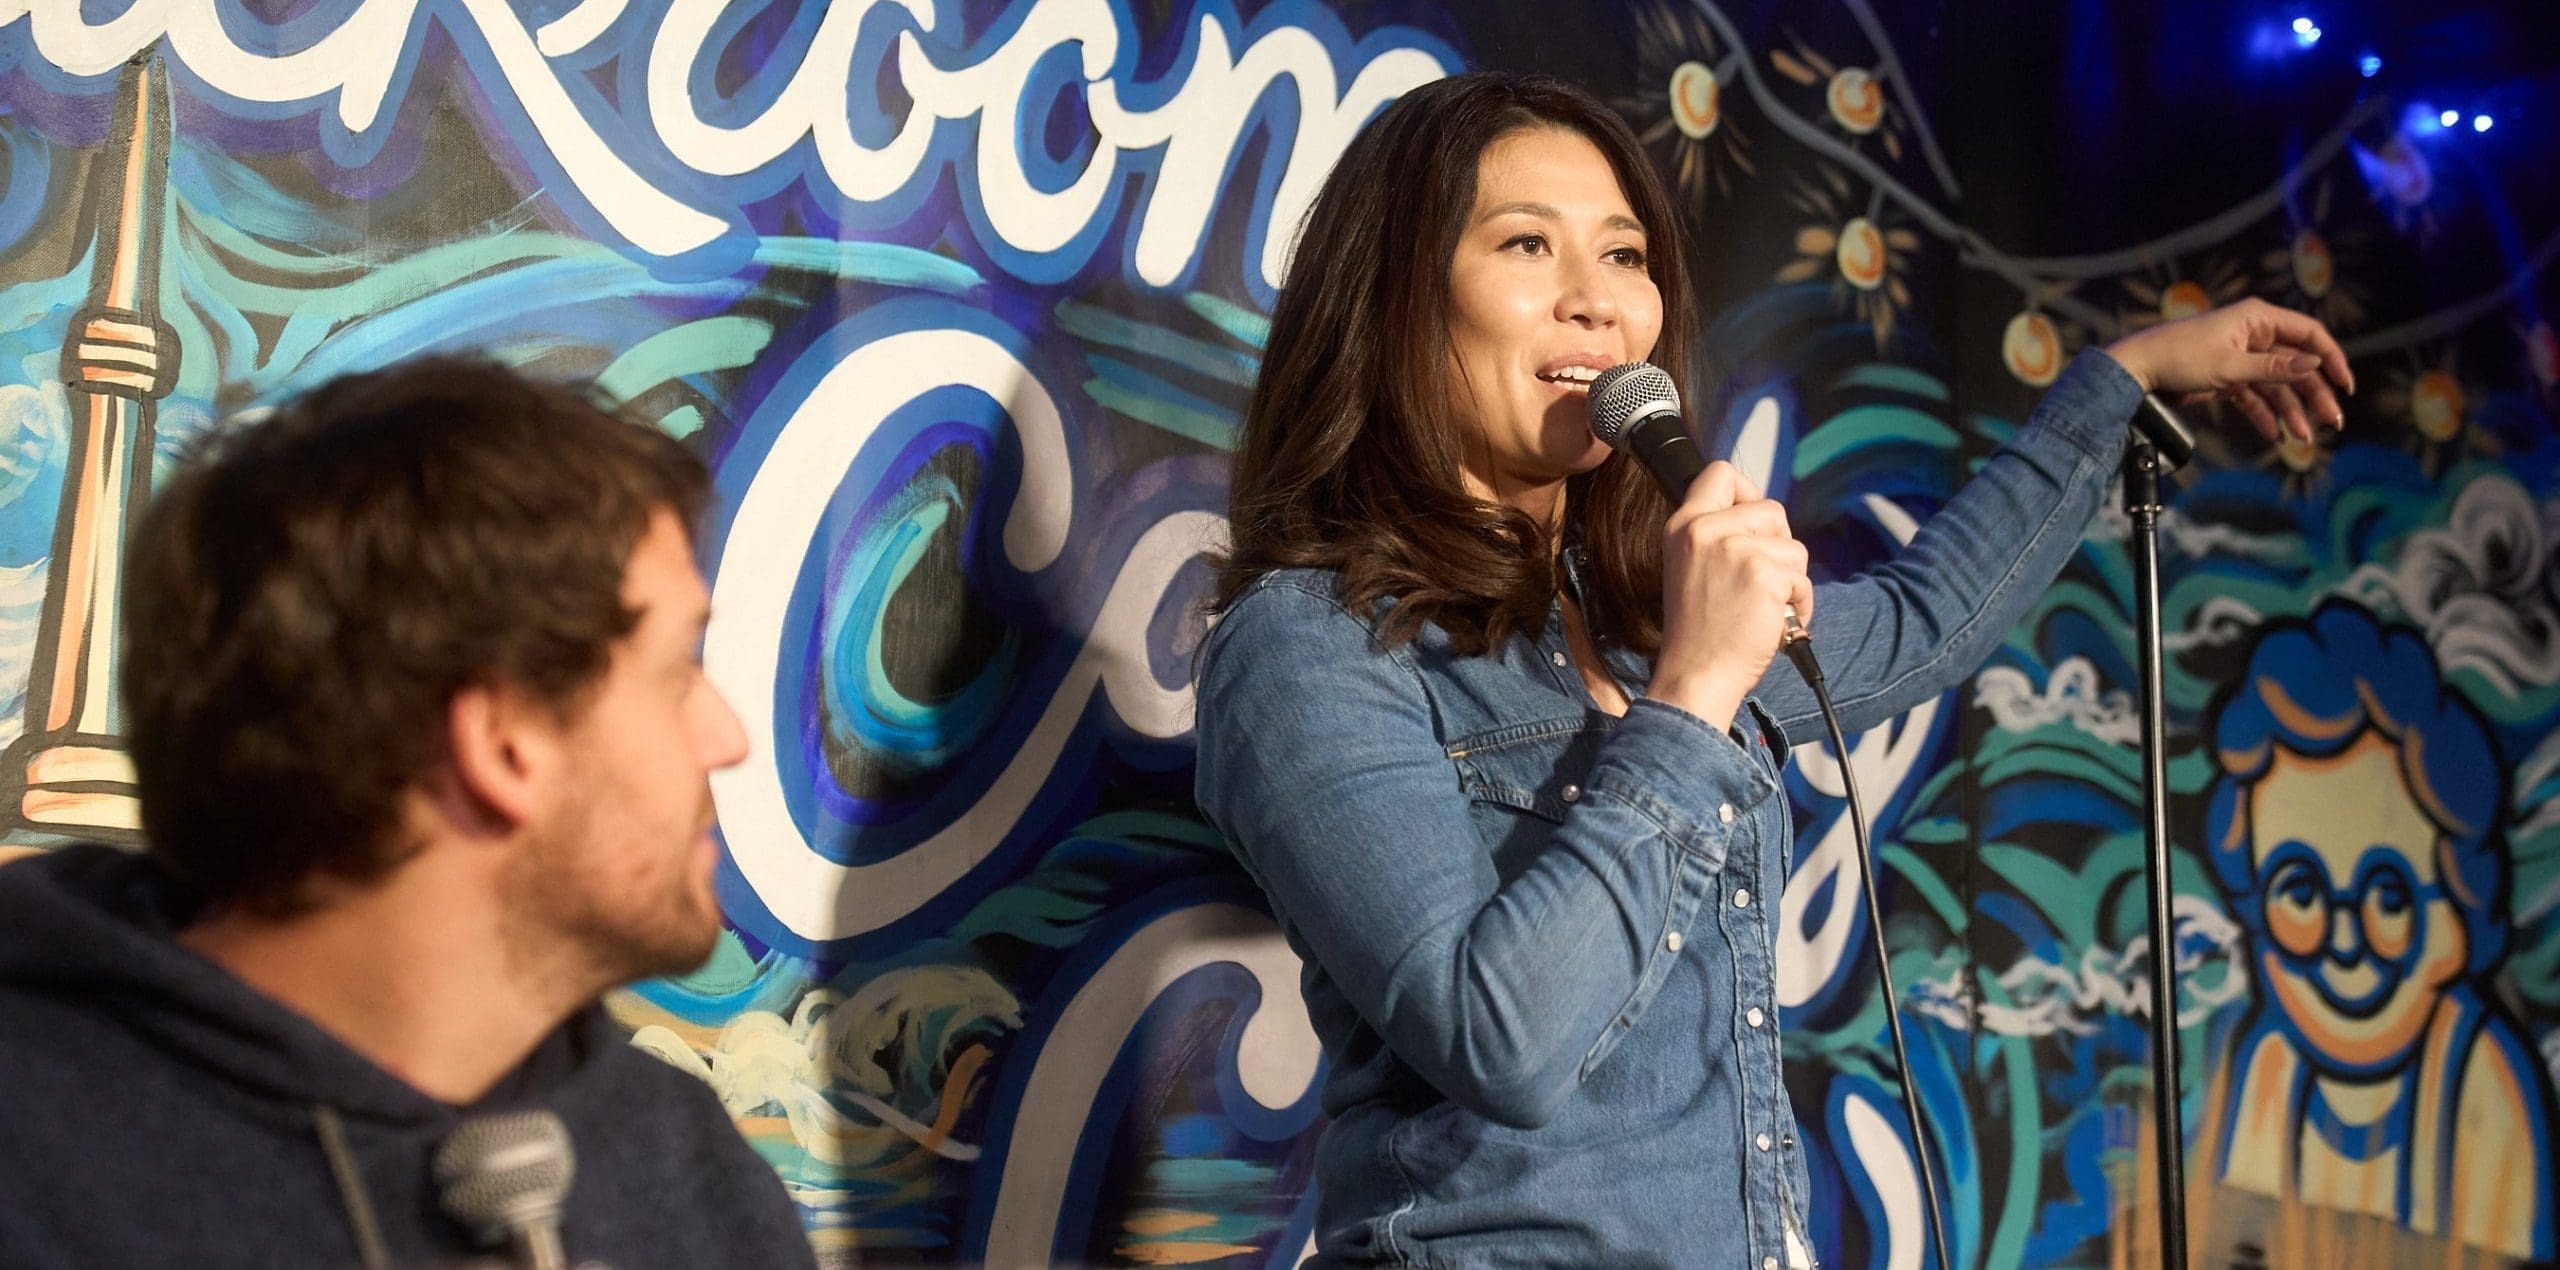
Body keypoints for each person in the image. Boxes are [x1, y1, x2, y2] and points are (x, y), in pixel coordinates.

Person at [1190, 71, 2354, 1267]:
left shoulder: (1644, 620)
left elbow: (1919, 618)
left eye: (1628, 256)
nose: (1597, 303)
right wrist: (1691, 695)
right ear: (1393, 299)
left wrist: (2122, 380)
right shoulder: (1309, 642)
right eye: (1527, 244)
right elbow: (1501, 1040)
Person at [0, 360, 818, 1268]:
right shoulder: (35, 1172)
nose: (730, 737)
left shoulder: (677, 1160)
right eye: (676, 673)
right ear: (503, 742)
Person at [2201, 601, 2553, 1262]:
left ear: (2453, 916)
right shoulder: (2274, 1064)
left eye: (2387, 896)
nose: (2342, 939)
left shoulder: (2472, 1071)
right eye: (2299, 891)